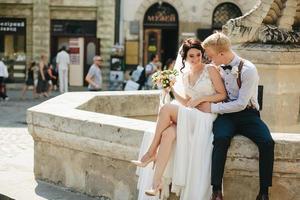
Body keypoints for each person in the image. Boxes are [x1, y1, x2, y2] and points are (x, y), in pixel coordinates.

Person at [131, 38, 227, 199]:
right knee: (168, 134)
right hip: (192, 115)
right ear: (185, 58)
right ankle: (156, 184)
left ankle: (151, 152)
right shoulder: (186, 75)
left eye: (198, 55)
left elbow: (222, 94)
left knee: (167, 108)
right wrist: (172, 90)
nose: (196, 59)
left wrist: (202, 100)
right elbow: (186, 103)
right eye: (191, 56)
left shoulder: (210, 69)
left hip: (205, 117)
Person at [198, 32, 274, 200]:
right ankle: (216, 190)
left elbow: (240, 104)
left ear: (222, 54)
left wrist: (211, 108)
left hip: (248, 114)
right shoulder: (216, 68)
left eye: (211, 56)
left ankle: (264, 192)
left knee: (267, 142)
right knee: (221, 139)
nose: (210, 60)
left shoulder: (249, 70)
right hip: (226, 115)